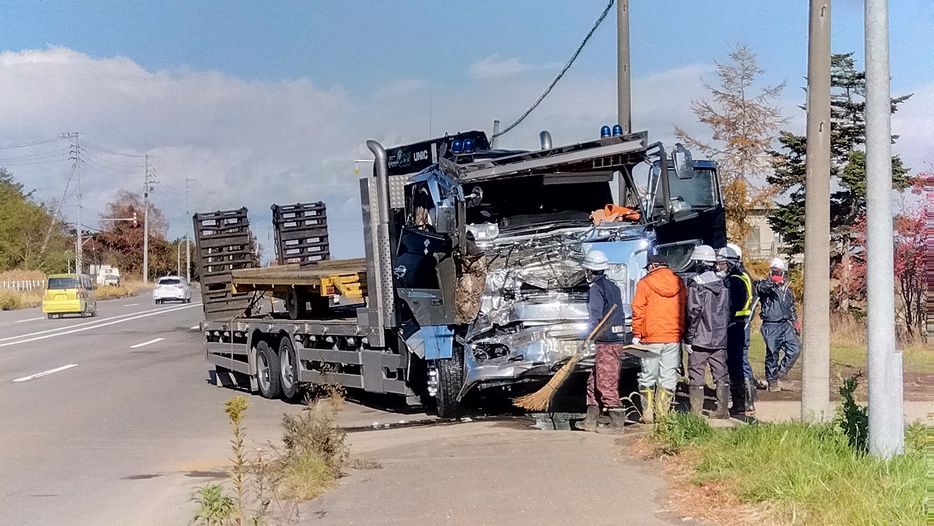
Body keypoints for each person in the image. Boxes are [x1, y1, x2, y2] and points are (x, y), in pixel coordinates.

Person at [575, 249, 629, 433]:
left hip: (607, 340)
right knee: (594, 380)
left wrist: (584, 337)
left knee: (605, 382)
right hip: (615, 338)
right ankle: (591, 420)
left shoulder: (596, 289)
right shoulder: (613, 286)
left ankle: (617, 424)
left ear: (589, 271)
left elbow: (595, 317)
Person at [631, 253, 686, 424]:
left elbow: (638, 309)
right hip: (673, 337)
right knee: (668, 376)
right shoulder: (679, 283)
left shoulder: (645, 283)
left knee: (648, 376)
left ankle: (647, 414)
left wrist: (636, 333)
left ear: (653, 266)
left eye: (648, 267)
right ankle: (663, 414)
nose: (647, 270)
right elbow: (683, 309)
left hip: (650, 338)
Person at [684, 245, 730, 418]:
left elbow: (693, 313)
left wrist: (688, 338)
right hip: (720, 338)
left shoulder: (697, 285)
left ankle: (696, 413)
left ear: (699, 262)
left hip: (699, 339)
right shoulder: (724, 284)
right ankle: (722, 410)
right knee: (721, 375)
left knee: (696, 374)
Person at [717, 244, 757, 418]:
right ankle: (744, 403)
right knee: (740, 362)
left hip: (736, 325)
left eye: (722, 263)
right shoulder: (743, 275)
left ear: (730, 262)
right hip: (741, 324)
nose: (719, 267)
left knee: (737, 364)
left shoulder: (735, 279)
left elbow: (732, 304)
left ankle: (743, 403)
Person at [756, 257, 801, 391]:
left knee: (796, 348)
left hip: (784, 324)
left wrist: (795, 321)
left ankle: (782, 372)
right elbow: (762, 289)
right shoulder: (764, 283)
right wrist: (771, 282)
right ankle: (772, 381)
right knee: (772, 354)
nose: (776, 274)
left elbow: (790, 306)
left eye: (778, 271)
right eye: (774, 271)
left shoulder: (787, 287)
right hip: (770, 325)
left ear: (783, 272)